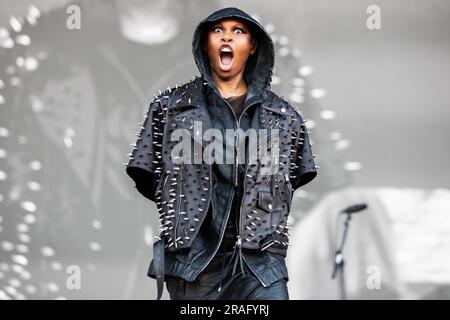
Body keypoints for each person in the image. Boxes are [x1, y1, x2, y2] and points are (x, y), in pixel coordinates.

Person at [126, 7, 318, 300]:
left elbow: (294, 178)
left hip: (262, 265)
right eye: (218, 31)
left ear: (253, 46)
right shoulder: (168, 109)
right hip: (194, 264)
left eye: (238, 31)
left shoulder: (283, 117)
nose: (227, 37)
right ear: (205, 43)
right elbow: (147, 178)